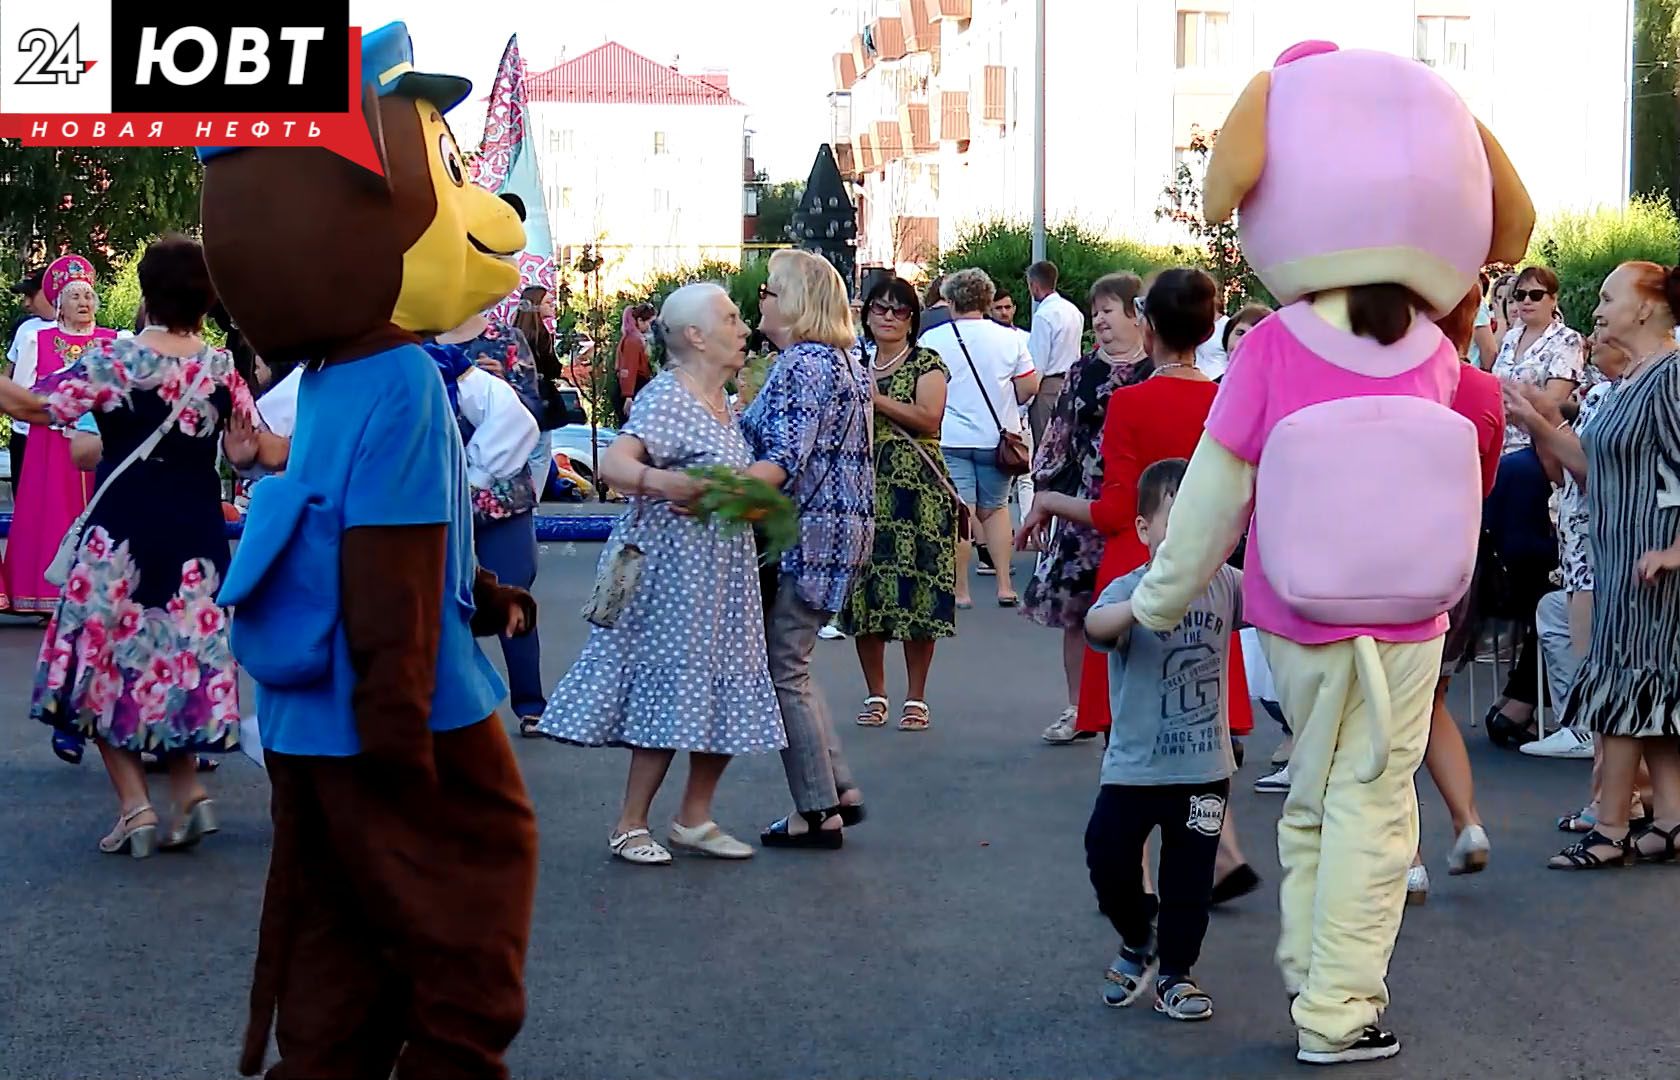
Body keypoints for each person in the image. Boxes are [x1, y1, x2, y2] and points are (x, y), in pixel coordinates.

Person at [1125, 41, 1533, 1064]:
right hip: (1407, 614)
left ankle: (1315, 973)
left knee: (1317, 792)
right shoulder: (1439, 356)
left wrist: (1160, 597)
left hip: (1299, 613)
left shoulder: (1269, 347)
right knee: (1374, 809)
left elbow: (1214, 490)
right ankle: (1338, 1010)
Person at [200, 24, 540, 1076]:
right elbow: (385, 576)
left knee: (337, 949)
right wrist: (407, 760)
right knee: (464, 940)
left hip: (312, 716)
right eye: (443, 167)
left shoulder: (336, 378)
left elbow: (369, 527)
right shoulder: (396, 379)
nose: (482, 208)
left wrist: (476, 588)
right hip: (404, 716)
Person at [0, 237, 251, 856]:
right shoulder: (221, 368)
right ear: (207, 298)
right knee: (179, 665)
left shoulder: (113, 360)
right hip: (195, 545)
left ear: (146, 294)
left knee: (96, 669)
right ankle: (189, 794)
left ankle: (137, 809)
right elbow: (253, 451)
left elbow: (37, 407)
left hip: (118, 547)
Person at [535, 284, 783, 863]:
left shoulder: (727, 404)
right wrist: (666, 483)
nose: (743, 326)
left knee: (725, 688)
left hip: (723, 572)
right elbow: (616, 463)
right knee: (670, 689)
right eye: (729, 318)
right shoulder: (668, 397)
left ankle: (694, 817)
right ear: (695, 335)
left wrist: (746, 501)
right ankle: (631, 824)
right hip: (674, 573)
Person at [1016, 269, 1251, 746]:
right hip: (1207, 560)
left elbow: (1116, 512)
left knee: (1130, 731)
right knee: (1202, 719)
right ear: (1209, 331)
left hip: (1135, 564)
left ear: (1148, 327)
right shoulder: (1226, 399)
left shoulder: (1131, 402)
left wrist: (1050, 500)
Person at [1501, 261, 1680, 871]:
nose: (1597, 309)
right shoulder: (1636, 380)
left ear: (1647, 308)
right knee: (1650, 694)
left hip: (1654, 564)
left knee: (1626, 690)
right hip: (1624, 559)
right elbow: (1592, 462)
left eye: (1609, 298)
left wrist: (1677, 550)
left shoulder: (1673, 377)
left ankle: (1609, 830)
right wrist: (1535, 423)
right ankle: (1672, 823)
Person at [1084, 458, 1239, 1021]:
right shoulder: (1130, 588)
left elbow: (1276, 604)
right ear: (1146, 530)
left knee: (1191, 880)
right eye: (1178, 517)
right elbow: (1096, 627)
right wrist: (1141, 607)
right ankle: (1136, 937)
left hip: (1203, 770)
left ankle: (1176, 973)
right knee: (1107, 860)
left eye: (1204, 518)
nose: (1193, 532)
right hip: (1135, 770)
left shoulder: (1224, 584)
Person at [741, 249, 875, 848]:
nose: (760, 301)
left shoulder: (802, 363)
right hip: (841, 528)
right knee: (795, 664)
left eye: (768, 292)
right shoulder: (846, 360)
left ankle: (817, 809)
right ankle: (838, 786)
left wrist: (706, 491)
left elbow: (784, 459)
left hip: (809, 533)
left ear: (795, 303)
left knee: (784, 668)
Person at [1404, 283, 1505, 904]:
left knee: (1383, 712)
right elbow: (1485, 482)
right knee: (1433, 700)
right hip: (1458, 561)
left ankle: (1407, 855)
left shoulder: (1399, 382)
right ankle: (1467, 821)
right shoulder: (1484, 390)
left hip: (1393, 561)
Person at [1020, 272, 1152, 744]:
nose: (1099, 320)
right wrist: (1045, 494)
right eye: (1095, 311)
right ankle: (1079, 707)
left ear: (1137, 316)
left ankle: (1130, 708)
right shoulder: (1082, 372)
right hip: (1084, 502)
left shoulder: (1156, 371)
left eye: (1109, 310)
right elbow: (1057, 436)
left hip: (1144, 507)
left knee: (1140, 609)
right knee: (1078, 610)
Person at [840, 276, 956, 732]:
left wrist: (876, 399)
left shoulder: (927, 362)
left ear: (912, 318)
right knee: (865, 593)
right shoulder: (854, 362)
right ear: (866, 315)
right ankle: (875, 692)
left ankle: (916, 696)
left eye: (899, 310)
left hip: (918, 491)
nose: (888, 317)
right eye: (880, 309)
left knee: (919, 592)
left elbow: (929, 417)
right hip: (864, 488)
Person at [429, 314, 547, 731]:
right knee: (437, 602)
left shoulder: (506, 338)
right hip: (433, 496)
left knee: (514, 591)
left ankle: (531, 704)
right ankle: (454, 709)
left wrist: (507, 387)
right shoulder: (412, 338)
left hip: (500, 497)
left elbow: (535, 409)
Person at [1483, 264, 1584, 748]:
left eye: (1535, 294)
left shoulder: (1566, 341)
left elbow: (1553, 405)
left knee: (1513, 480)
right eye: (1518, 294)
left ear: (1553, 297)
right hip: (1499, 448)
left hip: (1538, 454)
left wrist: (1518, 397)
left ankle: (1524, 674)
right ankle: (1492, 598)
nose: (1524, 301)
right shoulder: (1511, 339)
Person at [922, 268, 1039, 608]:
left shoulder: (934, 339)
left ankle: (960, 590)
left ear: (951, 300)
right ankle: (1004, 585)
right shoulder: (1011, 339)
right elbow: (1028, 386)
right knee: (997, 510)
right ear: (988, 300)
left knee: (961, 512)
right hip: (998, 438)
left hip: (951, 437)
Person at [7, 255, 112, 616]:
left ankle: (96, 594)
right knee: (50, 516)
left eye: (88, 295)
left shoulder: (114, 341)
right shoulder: (39, 339)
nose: (84, 303)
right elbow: (23, 394)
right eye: (74, 296)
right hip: (51, 444)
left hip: (99, 442)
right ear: (59, 306)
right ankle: (45, 596)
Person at [5, 266, 55, 492]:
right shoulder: (25, 329)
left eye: (30, 295)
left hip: (63, 434)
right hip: (24, 432)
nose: (26, 304)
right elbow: (9, 374)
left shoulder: (91, 334)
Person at [1025, 260, 1083, 445]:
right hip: (1071, 382)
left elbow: (1038, 363)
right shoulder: (1074, 311)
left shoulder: (1044, 316)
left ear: (1034, 285)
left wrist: (1025, 402)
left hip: (1048, 386)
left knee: (1045, 445)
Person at [615, 301, 656, 418]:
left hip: (635, 386)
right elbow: (629, 368)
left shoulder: (634, 338)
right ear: (640, 321)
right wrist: (629, 396)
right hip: (634, 387)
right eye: (649, 322)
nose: (650, 326)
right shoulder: (633, 340)